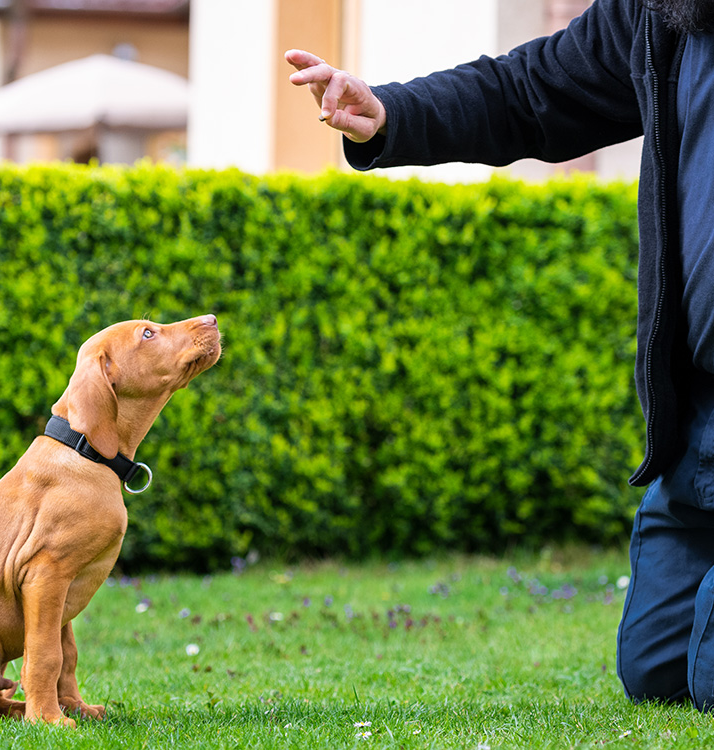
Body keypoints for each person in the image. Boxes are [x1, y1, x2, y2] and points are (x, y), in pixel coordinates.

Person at [286, 0, 714, 712]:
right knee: (659, 670)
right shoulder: (664, 13)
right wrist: (391, 112)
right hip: (697, 411)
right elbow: (529, 89)